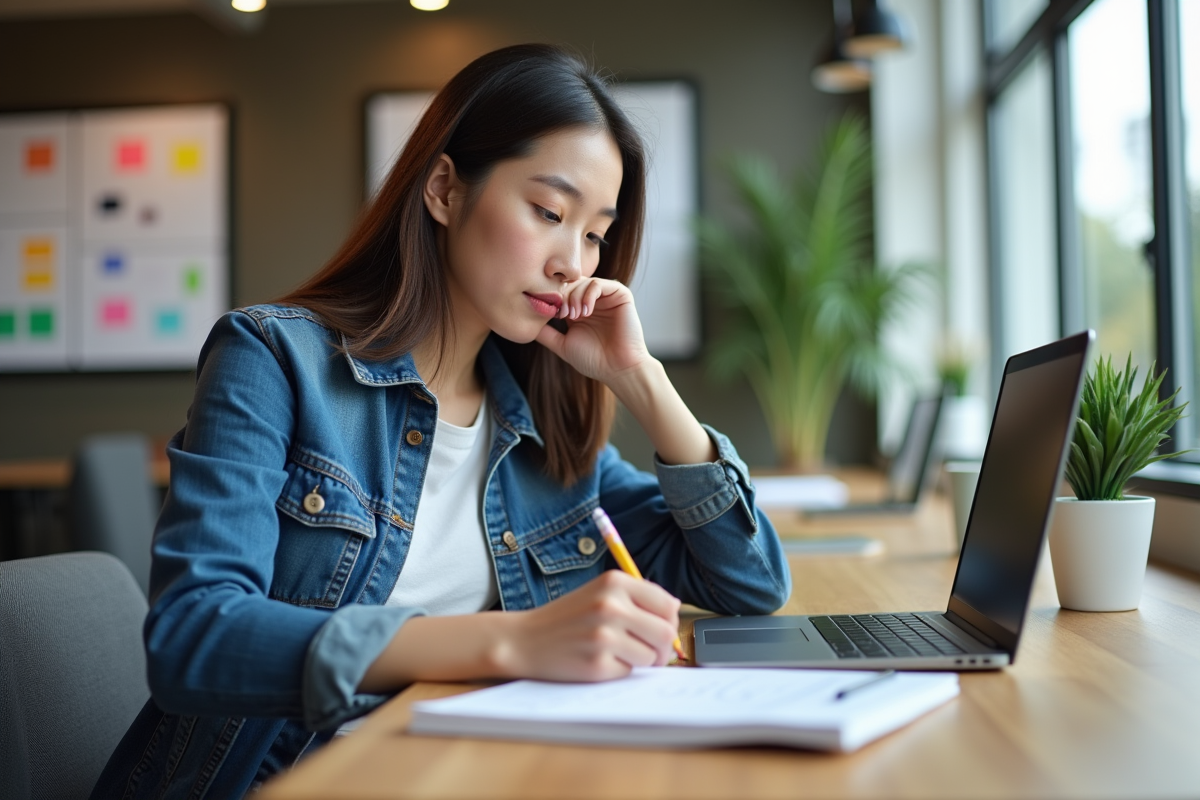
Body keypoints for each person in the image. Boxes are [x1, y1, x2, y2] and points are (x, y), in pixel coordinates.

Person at [92, 43, 790, 799]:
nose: (573, 263)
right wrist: (514, 642)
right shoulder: (272, 359)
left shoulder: (539, 430)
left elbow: (749, 584)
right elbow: (194, 639)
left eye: (594, 234)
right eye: (549, 212)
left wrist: (642, 383)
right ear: (445, 191)